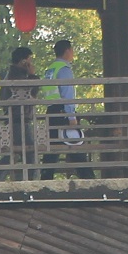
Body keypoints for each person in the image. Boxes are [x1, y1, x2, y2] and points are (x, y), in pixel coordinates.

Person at [42, 39, 88, 179]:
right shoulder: (64, 69)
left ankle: (46, 178)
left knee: (52, 148)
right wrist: (72, 116)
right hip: (63, 111)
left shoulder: (50, 69)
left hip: (51, 111)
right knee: (75, 143)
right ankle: (87, 177)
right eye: (72, 50)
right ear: (67, 50)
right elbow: (67, 93)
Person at [0, 46, 39, 180]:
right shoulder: (18, 76)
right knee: (30, 150)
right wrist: (33, 75)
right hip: (19, 118)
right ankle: (29, 182)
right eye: (29, 60)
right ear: (23, 61)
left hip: (13, 119)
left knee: (13, 152)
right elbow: (30, 93)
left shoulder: (9, 75)